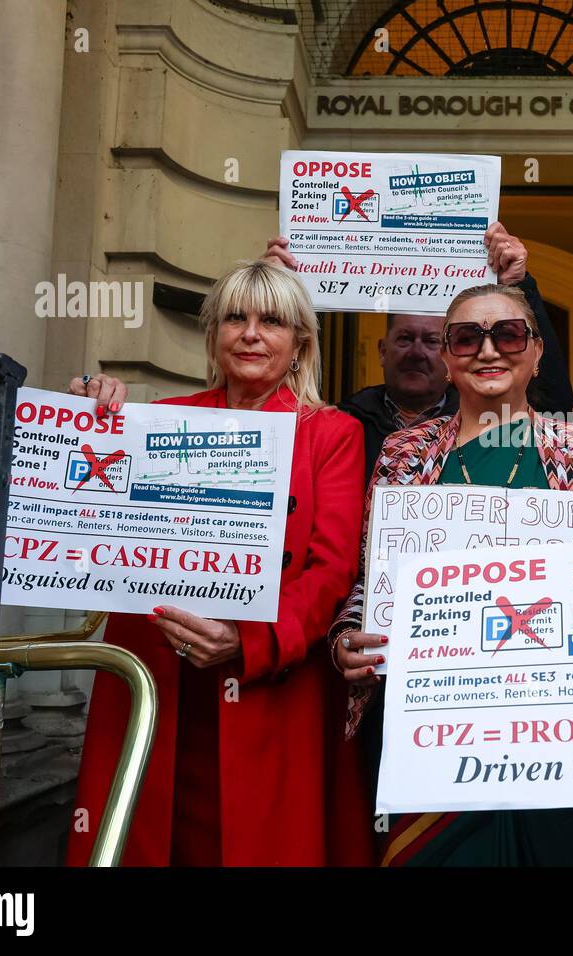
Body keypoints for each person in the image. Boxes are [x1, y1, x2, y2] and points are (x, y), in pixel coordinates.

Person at [330, 282, 573, 866]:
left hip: (565, 734)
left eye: (507, 334)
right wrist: (346, 640)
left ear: (536, 355)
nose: (488, 351)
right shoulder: (404, 454)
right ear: (449, 360)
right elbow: (369, 579)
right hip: (437, 729)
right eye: (466, 337)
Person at [66, 261, 373, 866]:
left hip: (270, 682)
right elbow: (89, 514)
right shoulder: (161, 419)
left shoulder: (331, 432)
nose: (251, 333)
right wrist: (86, 420)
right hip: (159, 674)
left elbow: (331, 570)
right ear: (213, 336)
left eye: (272, 321)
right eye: (235, 317)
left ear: (300, 344)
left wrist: (247, 638)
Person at [263, 222, 573, 484]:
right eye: (404, 338)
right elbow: (275, 419)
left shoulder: (492, 417)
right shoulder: (345, 420)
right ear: (382, 352)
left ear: (446, 353)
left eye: (429, 340)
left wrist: (521, 287)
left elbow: (553, 399)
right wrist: (270, 292)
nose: (416, 352)